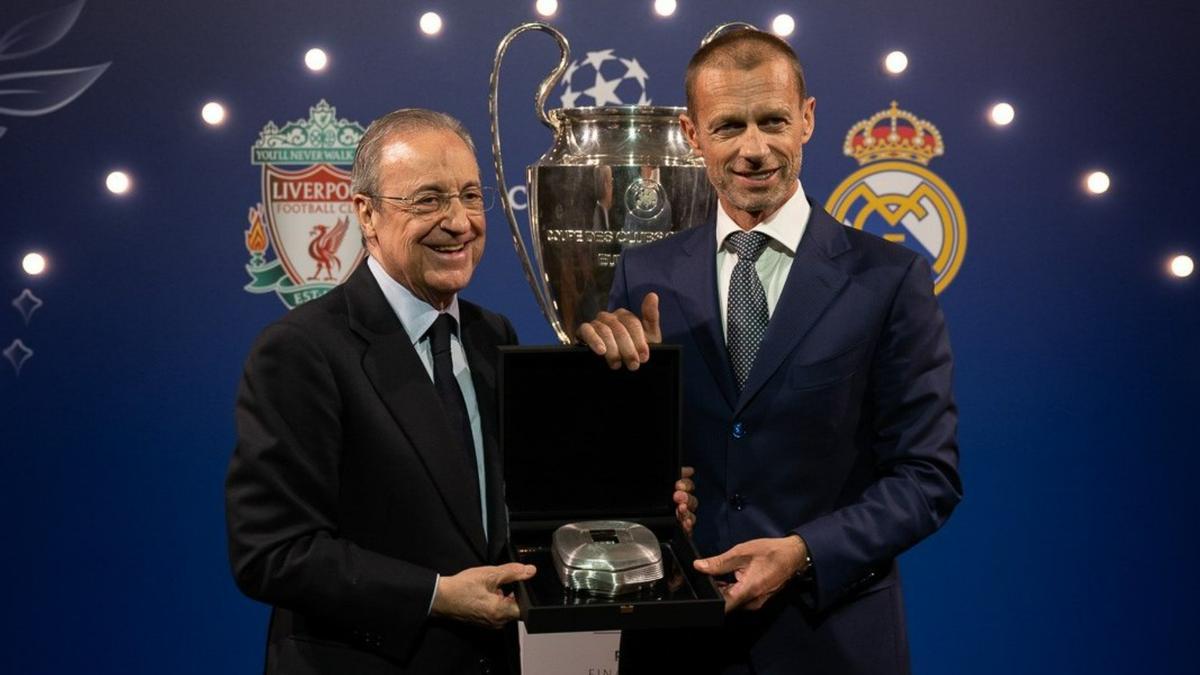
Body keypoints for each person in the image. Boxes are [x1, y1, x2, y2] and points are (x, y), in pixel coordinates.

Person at [580, 29, 962, 674]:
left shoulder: (890, 279)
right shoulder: (643, 276)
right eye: (728, 126)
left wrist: (803, 552)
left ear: (807, 120)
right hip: (678, 635)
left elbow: (928, 477)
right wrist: (641, 488)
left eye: (773, 121)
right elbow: (625, 470)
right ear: (692, 135)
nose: (754, 149)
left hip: (831, 636)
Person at [225, 108, 534, 675]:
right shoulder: (302, 349)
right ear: (365, 213)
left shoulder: (495, 336)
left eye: (470, 195)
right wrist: (436, 594)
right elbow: (271, 552)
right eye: (428, 200)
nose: (460, 221)